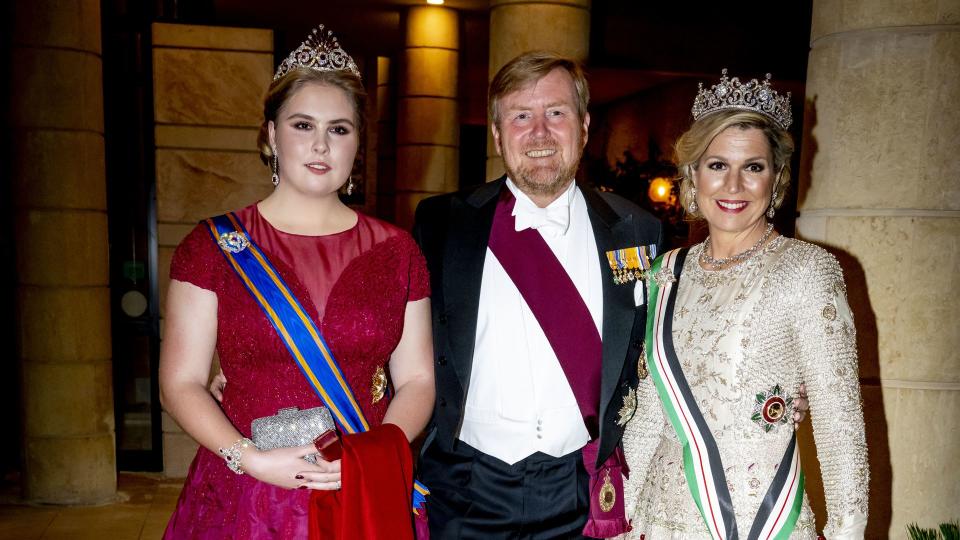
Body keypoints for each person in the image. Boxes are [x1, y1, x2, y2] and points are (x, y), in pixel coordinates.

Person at [160, 26, 434, 539]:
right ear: (270, 134)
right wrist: (250, 460)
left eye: (340, 129)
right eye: (302, 124)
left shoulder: (399, 252)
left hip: (361, 488)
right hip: (245, 495)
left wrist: (375, 454)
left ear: (358, 143)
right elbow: (180, 382)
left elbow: (418, 378)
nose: (320, 144)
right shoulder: (213, 247)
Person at [413, 51, 662, 539]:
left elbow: (663, 349)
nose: (540, 133)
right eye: (521, 116)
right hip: (466, 489)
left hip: (585, 488)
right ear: (497, 132)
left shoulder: (638, 229)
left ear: (584, 126)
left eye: (556, 113)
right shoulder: (442, 224)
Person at [620, 70, 869, 539]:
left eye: (752, 167)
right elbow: (652, 411)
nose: (733, 184)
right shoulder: (665, 273)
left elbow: (841, 427)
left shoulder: (806, 272)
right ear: (692, 175)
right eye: (717, 165)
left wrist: (847, 531)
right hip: (657, 519)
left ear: (775, 179)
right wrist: (617, 520)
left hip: (763, 522)